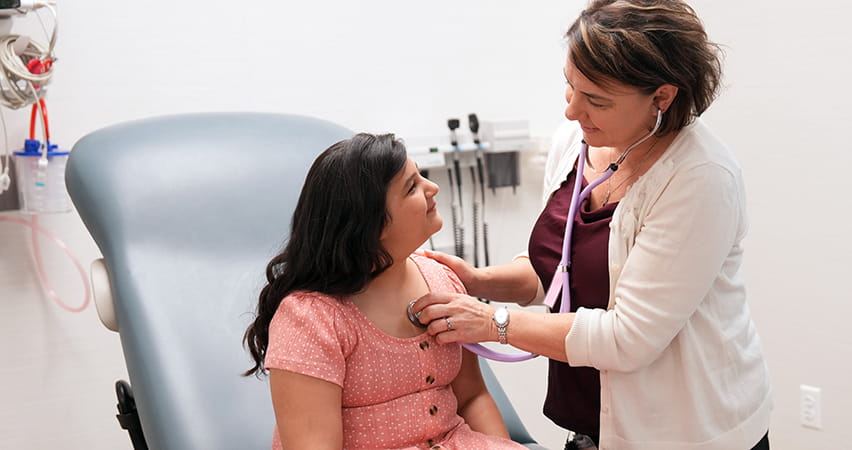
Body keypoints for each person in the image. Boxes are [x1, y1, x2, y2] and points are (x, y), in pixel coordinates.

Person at [411, 1, 772, 449]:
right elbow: (561, 273)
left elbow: (627, 338)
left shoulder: (700, 178)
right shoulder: (579, 141)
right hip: (594, 424)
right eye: (570, 86)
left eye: (596, 100)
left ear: (662, 97)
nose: (571, 111)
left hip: (686, 431)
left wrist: (491, 321)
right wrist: (478, 280)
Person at [242, 133, 525, 450]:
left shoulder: (442, 279)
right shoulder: (310, 319)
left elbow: (472, 396)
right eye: (412, 187)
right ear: (371, 224)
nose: (433, 189)